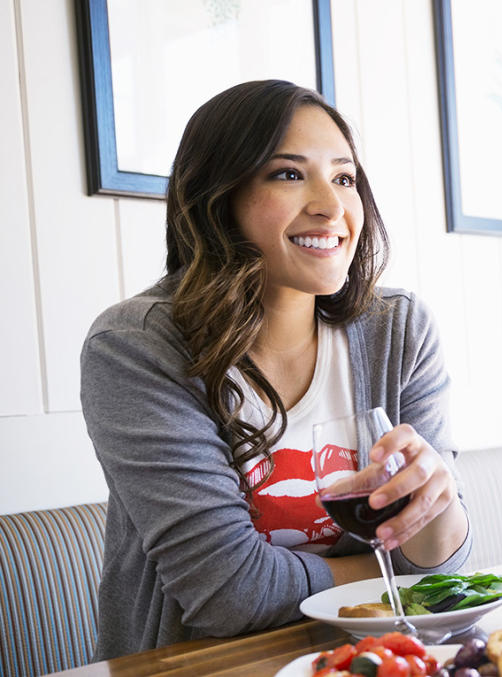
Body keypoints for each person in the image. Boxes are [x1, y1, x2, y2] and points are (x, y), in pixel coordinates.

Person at [80, 80, 472, 659]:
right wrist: (389, 572)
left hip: (379, 659)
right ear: (219, 199)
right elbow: (230, 595)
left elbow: (446, 565)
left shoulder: (398, 330)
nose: (332, 206)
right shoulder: (137, 348)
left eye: (343, 177)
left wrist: (436, 517)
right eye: (289, 174)